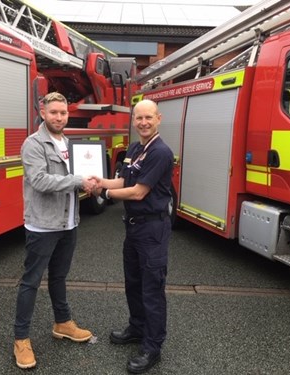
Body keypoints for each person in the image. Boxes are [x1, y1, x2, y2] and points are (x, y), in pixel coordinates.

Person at [13, 92, 95, 369]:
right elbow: (39, 180)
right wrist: (79, 180)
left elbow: (78, 179)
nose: (59, 117)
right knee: (31, 282)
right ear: (43, 112)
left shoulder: (70, 143)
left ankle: (62, 323)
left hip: (68, 223)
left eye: (63, 113)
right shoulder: (33, 144)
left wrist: (92, 182)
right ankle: (21, 339)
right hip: (42, 225)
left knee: (59, 277)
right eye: (54, 112)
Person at [93, 99, 173, 374]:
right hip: (134, 227)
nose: (143, 122)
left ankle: (152, 347)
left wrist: (105, 194)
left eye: (148, 117)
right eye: (139, 118)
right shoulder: (136, 148)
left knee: (151, 288)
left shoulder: (161, 152)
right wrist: (100, 181)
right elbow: (124, 182)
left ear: (158, 119)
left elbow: (139, 192)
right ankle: (137, 328)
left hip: (152, 230)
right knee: (133, 283)